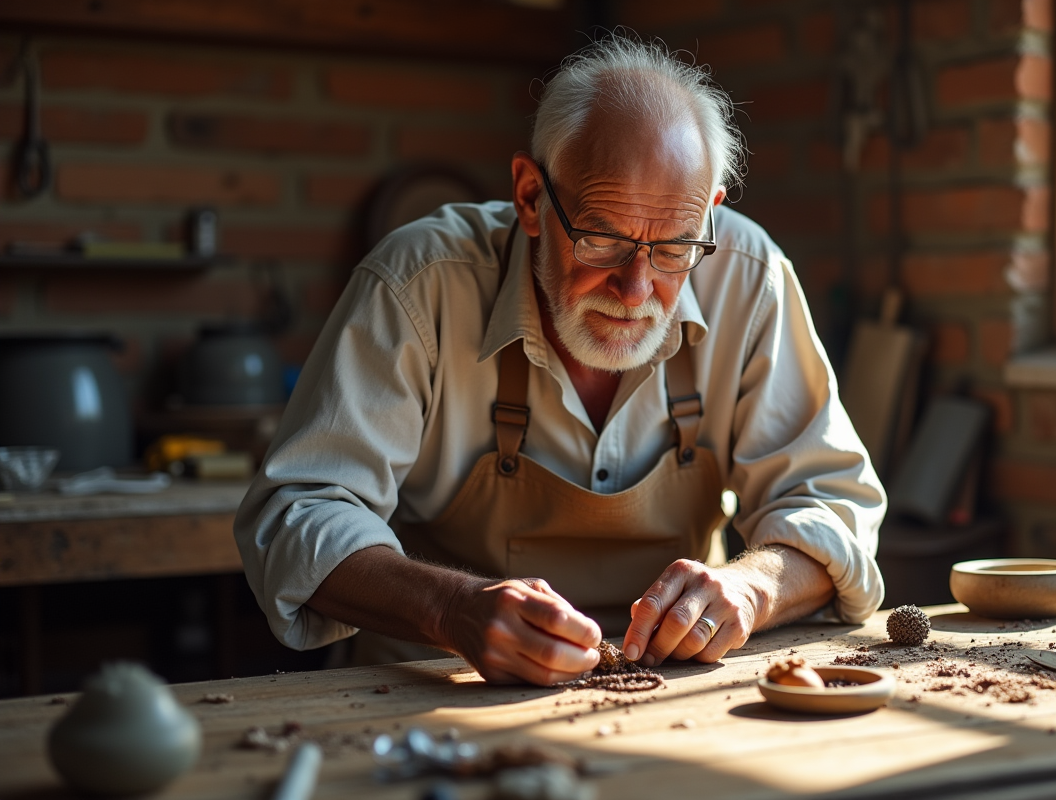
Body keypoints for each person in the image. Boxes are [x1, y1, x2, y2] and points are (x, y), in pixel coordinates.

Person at [234, 35, 886, 686]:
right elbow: (298, 511)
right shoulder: (420, 282)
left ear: (709, 215)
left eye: (674, 248)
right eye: (602, 239)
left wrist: (751, 589)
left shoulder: (748, 277)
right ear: (529, 198)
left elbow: (832, 505)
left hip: (677, 692)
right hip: (436, 688)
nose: (635, 291)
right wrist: (448, 607)